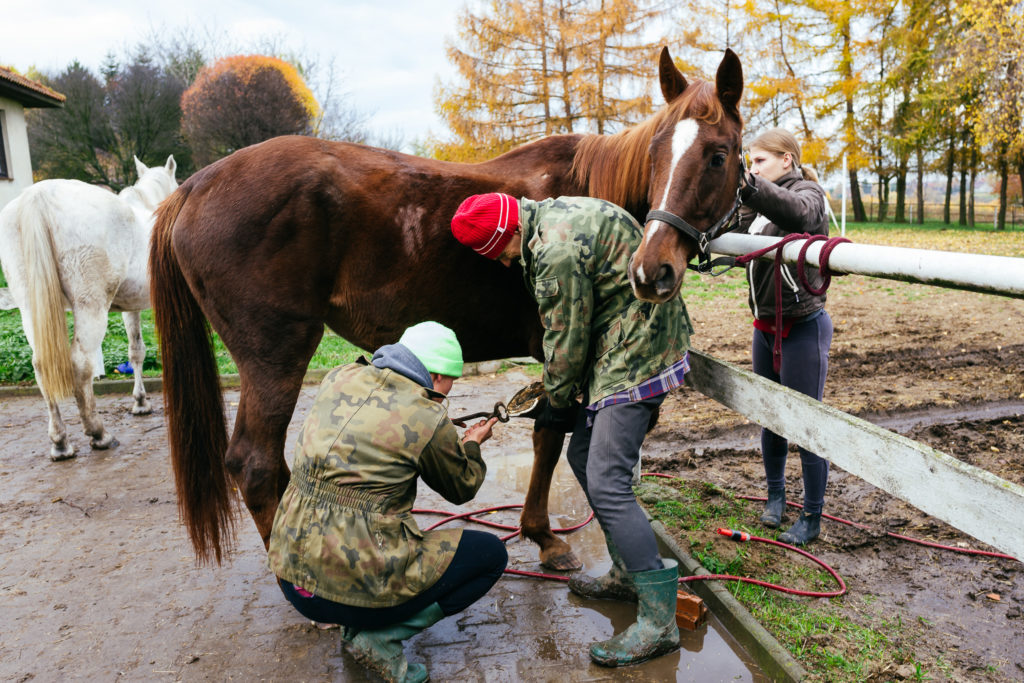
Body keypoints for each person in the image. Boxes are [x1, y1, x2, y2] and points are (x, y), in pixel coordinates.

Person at [451, 193, 692, 668]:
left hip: (638, 353)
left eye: (499, 253)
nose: (502, 264)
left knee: (606, 479)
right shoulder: (549, 214)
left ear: (510, 234)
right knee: (584, 458)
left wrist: (556, 403)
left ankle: (659, 622)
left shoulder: (553, 251)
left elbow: (565, 335)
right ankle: (626, 575)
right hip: (622, 340)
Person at [267, 321, 507, 683]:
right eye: (447, 389)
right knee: (490, 555)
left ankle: (355, 623)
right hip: (345, 592)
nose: (443, 398)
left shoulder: (341, 375)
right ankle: (379, 637)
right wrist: (472, 444)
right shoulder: (427, 415)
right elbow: (463, 487)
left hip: (292, 579)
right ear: (437, 376)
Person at [738, 127, 833, 546]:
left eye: (759, 161)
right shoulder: (755, 204)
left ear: (786, 160)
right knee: (771, 417)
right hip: (764, 328)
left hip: (802, 328)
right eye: (749, 163)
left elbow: (797, 213)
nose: (752, 170)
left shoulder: (809, 193)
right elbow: (729, 225)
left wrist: (749, 186)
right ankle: (776, 497)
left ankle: (811, 517)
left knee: (806, 424)